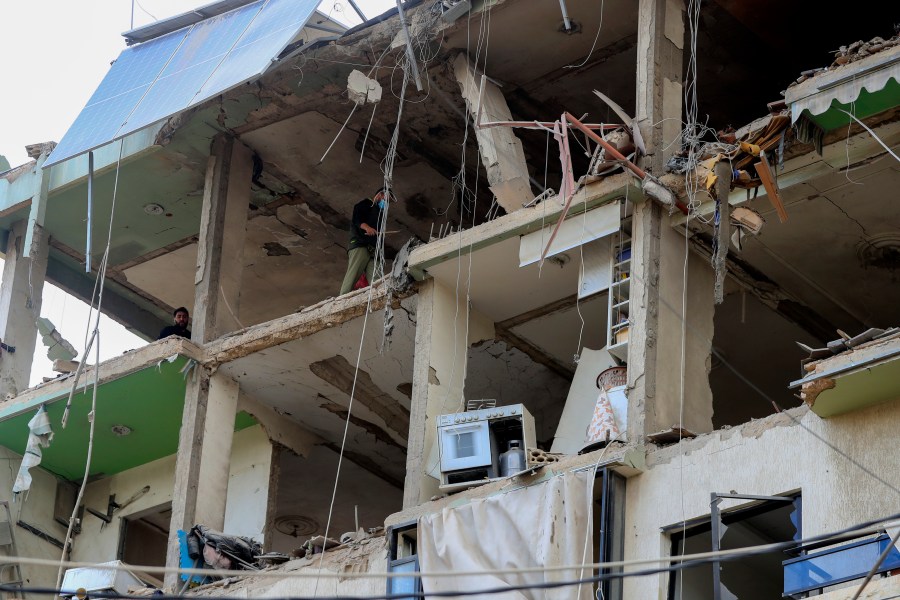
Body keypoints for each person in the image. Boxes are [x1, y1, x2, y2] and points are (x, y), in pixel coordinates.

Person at [339, 187, 392, 295]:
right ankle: (342, 298)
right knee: (353, 273)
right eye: (386, 200)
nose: (386, 203)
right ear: (379, 195)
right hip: (360, 244)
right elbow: (357, 220)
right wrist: (367, 228)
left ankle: (379, 296)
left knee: (376, 277)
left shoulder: (380, 213)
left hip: (374, 249)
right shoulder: (365, 204)